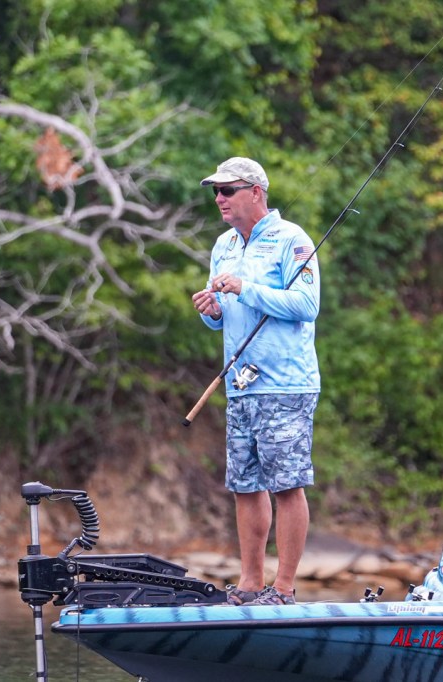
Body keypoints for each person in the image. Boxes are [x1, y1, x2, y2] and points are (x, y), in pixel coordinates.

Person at [191, 157, 321, 606]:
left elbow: (306, 305)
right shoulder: (223, 245)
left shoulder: (292, 240)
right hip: (240, 385)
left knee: (286, 485)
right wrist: (211, 312)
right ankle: (250, 584)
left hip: (286, 385)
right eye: (216, 191)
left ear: (255, 192)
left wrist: (245, 288)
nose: (219, 198)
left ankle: (282, 589)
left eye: (227, 190)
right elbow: (224, 316)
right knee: (244, 486)